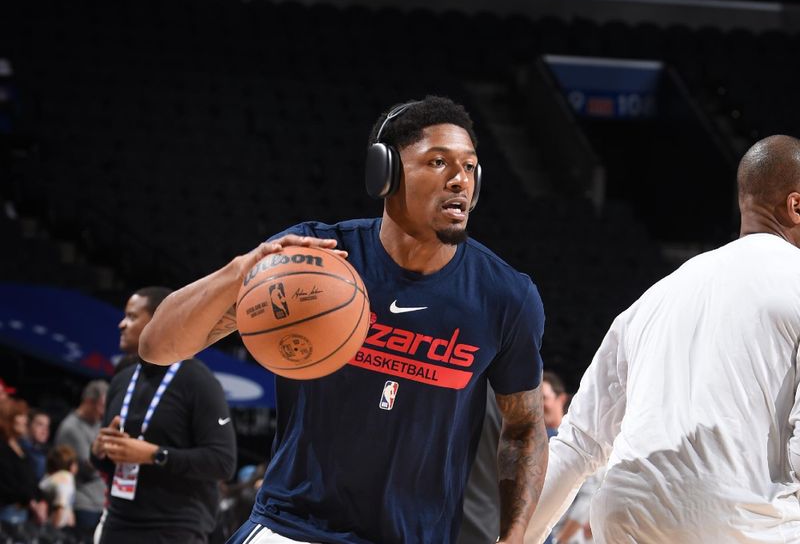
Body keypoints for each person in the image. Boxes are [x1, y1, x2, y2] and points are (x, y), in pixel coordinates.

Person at [139, 95, 548, 544]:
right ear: (385, 172)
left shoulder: (505, 294)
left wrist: (515, 535)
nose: (459, 180)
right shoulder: (313, 260)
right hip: (293, 527)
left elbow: (524, 427)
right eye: (438, 162)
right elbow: (157, 345)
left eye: (470, 167)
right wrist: (242, 269)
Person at [524, 134, 800, 544]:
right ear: (796, 206)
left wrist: (514, 537)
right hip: (746, 523)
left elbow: (578, 444)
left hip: (628, 518)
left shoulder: (656, 296)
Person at [91, 286, 236, 544]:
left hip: (175, 526)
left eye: (133, 317)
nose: (121, 324)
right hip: (119, 520)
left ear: (161, 321)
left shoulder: (198, 381)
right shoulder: (122, 378)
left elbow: (222, 462)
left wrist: (154, 455)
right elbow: (106, 462)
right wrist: (101, 450)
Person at [459, 371, 568, 544]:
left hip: (493, 525)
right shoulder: (513, 393)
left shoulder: (552, 438)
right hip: (492, 525)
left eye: (544, 398)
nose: (541, 403)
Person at [54, 379, 108, 541]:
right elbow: (89, 467)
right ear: (88, 402)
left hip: (100, 502)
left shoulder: (99, 425)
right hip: (83, 503)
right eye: (101, 405)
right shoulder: (71, 428)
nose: (103, 412)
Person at [0, 397, 47, 526]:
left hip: (23, 515)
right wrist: (31, 502)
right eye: (21, 416)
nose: (25, 420)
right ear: (8, 418)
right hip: (6, 514)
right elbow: (8, 484)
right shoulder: (3, 448)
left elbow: (30, 480)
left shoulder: (22, 449)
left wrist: (41, 500)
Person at [39, 444, 78, 529]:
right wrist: (56, 532)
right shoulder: (65, 477)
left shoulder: (50, 477)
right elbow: (60, 507)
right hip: (54, 526)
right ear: (70, 465)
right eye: (75, 462)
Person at [21, 408, 51, 482]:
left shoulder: (44, 450)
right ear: (28, 425)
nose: (45, 430)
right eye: (40, 425)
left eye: (47, 426)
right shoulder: (20, 448)